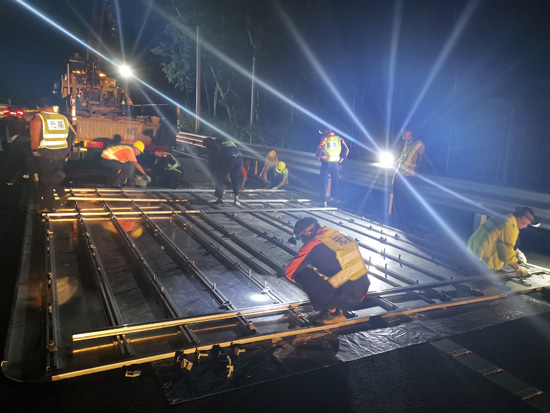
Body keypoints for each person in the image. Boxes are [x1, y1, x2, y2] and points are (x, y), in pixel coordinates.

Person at [286, 217, 370, 325]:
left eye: (300, 237)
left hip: (346, 295)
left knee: (302, 274)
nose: (301, 240)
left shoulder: (313, 244)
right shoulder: (337, 234)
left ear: (307, 233)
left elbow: (290, 272)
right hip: (362, 288)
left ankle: (334, 314)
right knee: (327, 269)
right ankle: (334, 303)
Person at [30, 98, 77, 212]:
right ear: (52, 107)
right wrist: (65, 148)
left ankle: (50, 205)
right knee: (55, 174)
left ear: (38, 107)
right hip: (61, 153)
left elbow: (35, 136)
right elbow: (74, 134)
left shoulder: (38, 118)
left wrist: (35, 150)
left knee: (45, 180)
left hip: (46, 153)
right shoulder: (63, 118)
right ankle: (61, 193)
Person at [467, 207, 537, 275]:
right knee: (517, 242)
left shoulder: (500, 218)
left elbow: (500, 240)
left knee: (516, 241)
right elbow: (506, 254)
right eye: (527, 224)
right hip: (483, 263)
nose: (525, 226)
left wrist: (518, 252)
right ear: (524, 218)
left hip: (470, 255)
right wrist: (518, 268)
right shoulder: (510, 225)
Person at [392, 129, 425, 226]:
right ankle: (399, 218)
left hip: (407, 175)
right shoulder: (407, 143)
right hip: (399, 173)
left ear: (410, 132)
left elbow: (422, 156)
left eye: (404, 132)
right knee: (397, 196)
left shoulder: (418, 143)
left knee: (402, 197)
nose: (402, 133)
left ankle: (404, 219)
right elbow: (403, 157)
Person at [205, 138, 244, 206]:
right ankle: (236, 198)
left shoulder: (218, 145)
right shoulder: (230, 143)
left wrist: (214, 170)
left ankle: (219, 199)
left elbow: (217, 159)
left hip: (229, 156)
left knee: (219, 177)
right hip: (239, 156)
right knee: (236, 177)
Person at [316, 129, 349, 207]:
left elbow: (320, 148)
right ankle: (336, 199)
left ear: (325, 132)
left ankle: (323, 201)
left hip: (326, 163)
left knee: (324, 182)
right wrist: (342, 158)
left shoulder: (324, 139)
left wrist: (319, 156)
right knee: (336, 181)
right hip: (335, 163)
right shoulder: (339, 139)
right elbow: (346, 149)